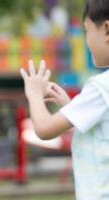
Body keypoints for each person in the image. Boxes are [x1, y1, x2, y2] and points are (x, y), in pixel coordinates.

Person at [20, 0, 109, 199]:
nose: (87, 41)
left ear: (106, 30)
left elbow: (44, 129)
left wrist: (34, 94)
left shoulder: (101, 86)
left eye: (87, 31)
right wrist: (70, 107)